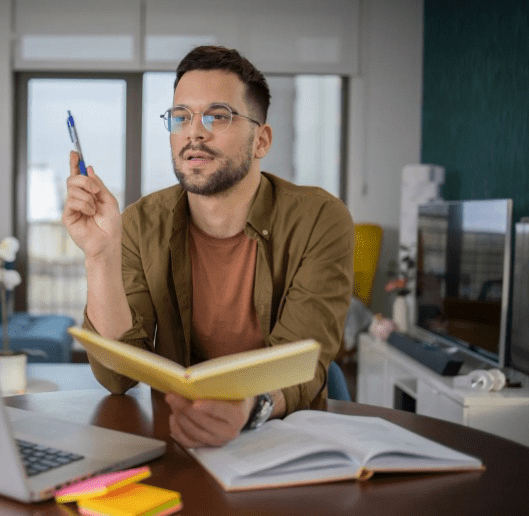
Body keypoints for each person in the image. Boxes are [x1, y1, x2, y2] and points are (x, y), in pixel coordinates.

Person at [62, 45, 354, 448]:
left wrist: (247, 410)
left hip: (283, 437)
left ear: (261, 140)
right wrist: (100, 256)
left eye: (218, 116)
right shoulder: (139, 223)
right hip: (180, 434)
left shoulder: (320, 218)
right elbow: (117, 375)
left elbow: (303, 362)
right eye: (180, 117)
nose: (194, 132)